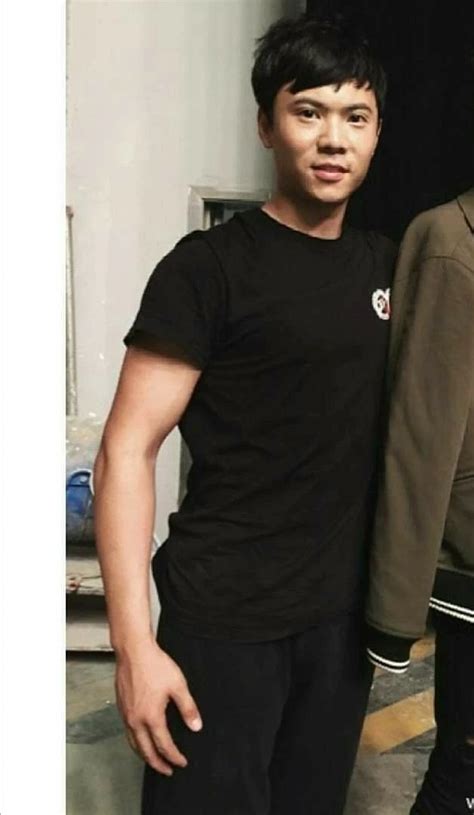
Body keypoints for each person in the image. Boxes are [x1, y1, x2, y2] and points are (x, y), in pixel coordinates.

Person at [93, 14, 396, 815]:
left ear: (376, 134)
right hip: (221, 622)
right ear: (266, 125)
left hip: (338, 628)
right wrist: (134, 647)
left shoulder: (389, 267)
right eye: (308, 112)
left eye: (355, 117)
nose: (332, 139)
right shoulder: (207, 270)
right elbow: (126, 451)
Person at [365, 189, 474, 814]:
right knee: (462, 773)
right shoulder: (450, 241)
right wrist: (394, 616)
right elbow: (420, 434)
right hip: (468, 561)